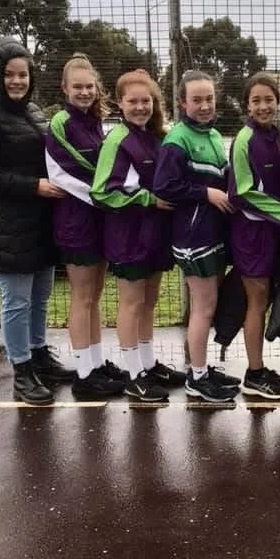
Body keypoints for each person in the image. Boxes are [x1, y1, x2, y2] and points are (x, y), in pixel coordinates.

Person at [0, 36, 74, 405]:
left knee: (40, 297)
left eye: (23, 74)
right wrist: (34, 186)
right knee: (16, 300)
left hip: (40, 223)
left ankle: (40, 356)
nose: (17, 81)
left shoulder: (35, 112)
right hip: (8, 225)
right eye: (9, 75)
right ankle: (21, 371)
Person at [91, 69, 185, 403]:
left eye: (146, 100)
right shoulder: (117, 140)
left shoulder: (157, 136)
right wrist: (148, 199)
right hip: (128, 236)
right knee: (131, 304)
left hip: (155, 235)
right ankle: (133, 375)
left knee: (149, 302)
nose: (140, 107)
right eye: (133, 101)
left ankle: (147, 365)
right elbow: (102, 192)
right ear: (120, 103)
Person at [153, 70, 240, 405]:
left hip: (213, 233)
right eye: (197, 100)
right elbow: (164, 186)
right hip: (193, 237)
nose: (204, 106)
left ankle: (201, 369)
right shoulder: (177, 140)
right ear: (182, 103)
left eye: (209, 99)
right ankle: (197, 377)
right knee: (203, 309)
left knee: (209, 305)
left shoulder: (215, 135)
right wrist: (205, 193)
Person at [45, 54, 127, 400]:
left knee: (94, 296)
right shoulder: (59, 124)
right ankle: (83, 374)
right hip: (75, 222)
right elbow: (61, 174)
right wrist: (104, 197)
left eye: (89, 86)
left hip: (99, 221)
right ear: (65, 88)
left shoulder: (96, 123)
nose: (84, 92)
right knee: (81, 297)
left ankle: (94, 363)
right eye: (77, 86)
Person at [228, 72, 280, 399]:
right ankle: (254, 372)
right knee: (256, 302)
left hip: (273, 232)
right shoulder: (244, 139)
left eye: (269, 100)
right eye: (256, 100)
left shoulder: (275, 135)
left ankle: (264, 368)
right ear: (247, 104)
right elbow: (244, 193)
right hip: (252, 235)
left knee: (266, 300)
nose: (263, 106)